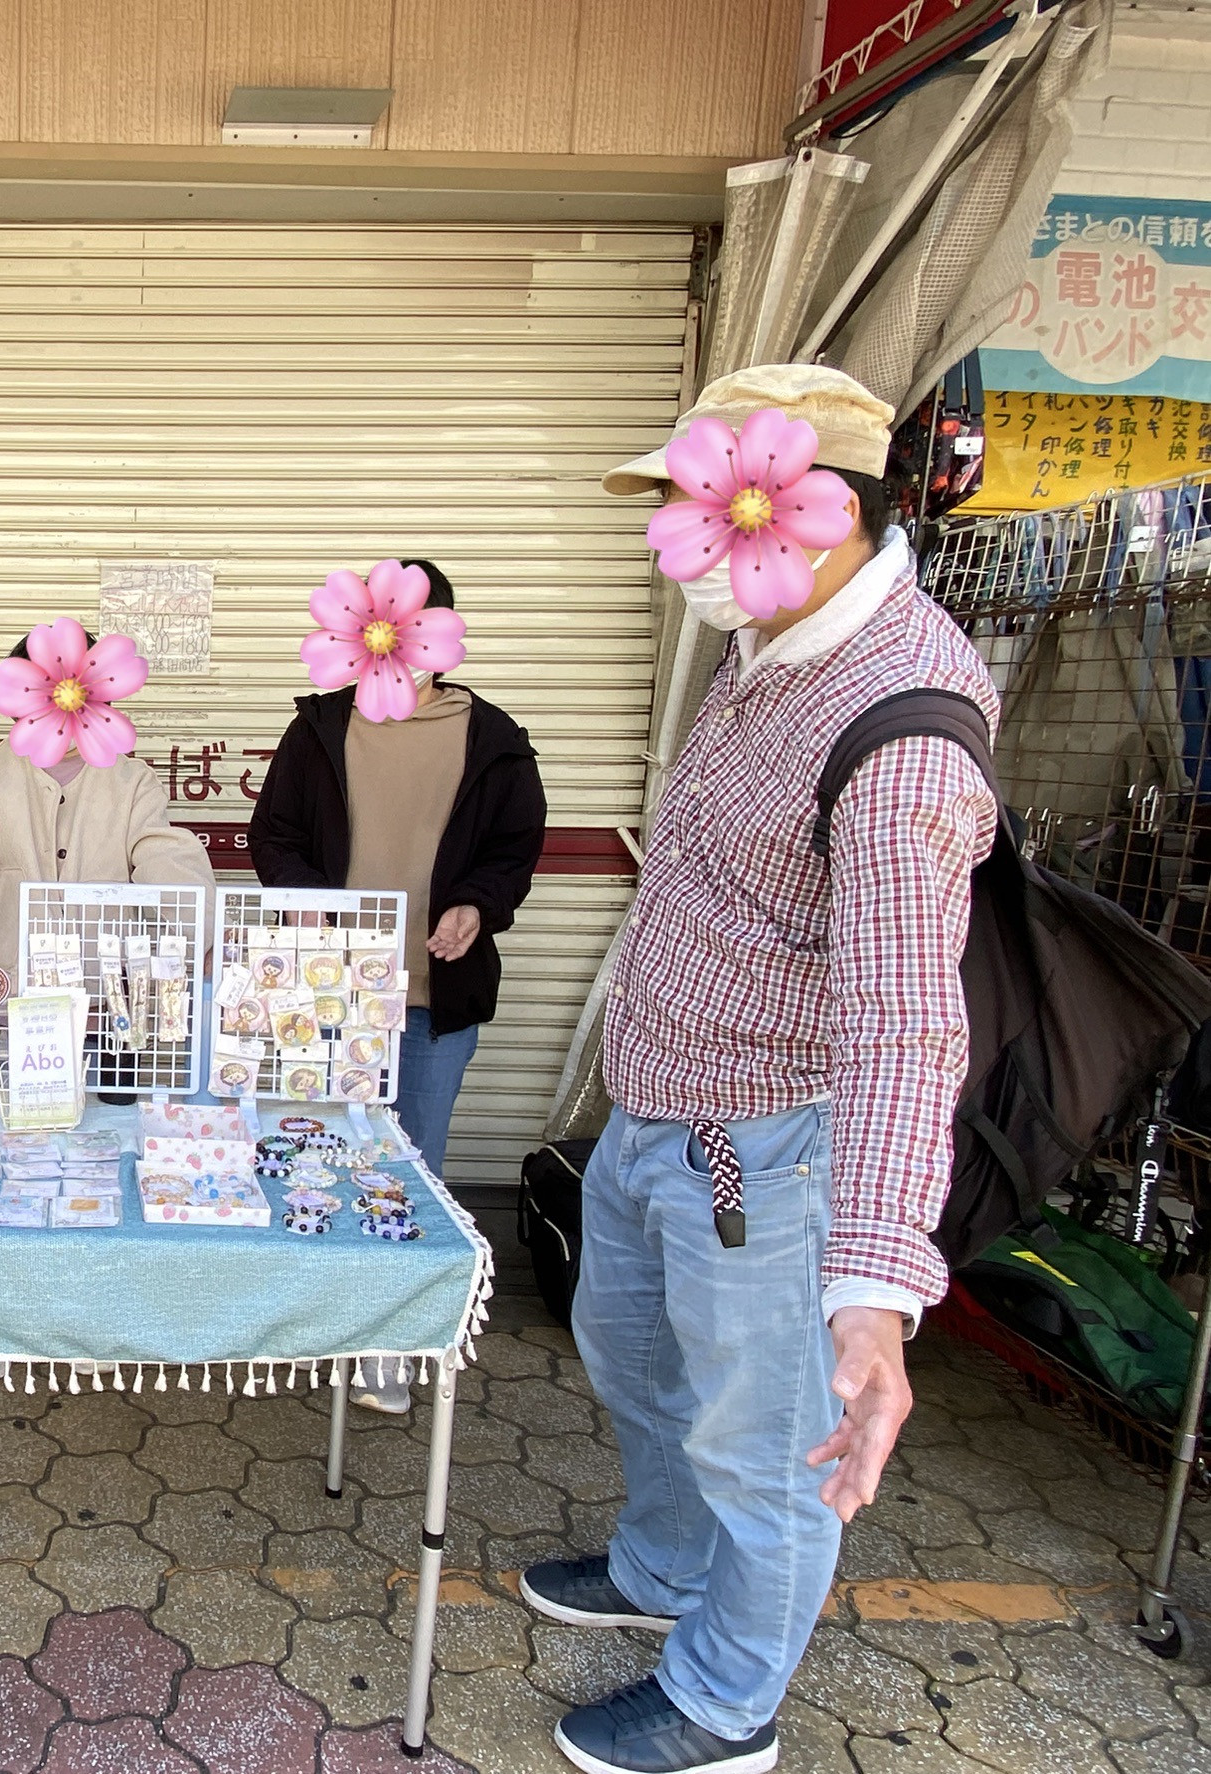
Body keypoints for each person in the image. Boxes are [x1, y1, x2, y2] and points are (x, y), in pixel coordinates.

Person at [519, 365, 999, 1774]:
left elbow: (909, 1014)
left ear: (817, 506)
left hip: (771, 1147)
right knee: (630, 1354)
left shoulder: (901, 715)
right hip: (656, 1108)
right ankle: (665, 1566)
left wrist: (875, 1284)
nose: (681, 541)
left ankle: (727, 1701)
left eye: (698, 507)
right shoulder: (771, 644)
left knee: (767, 1443)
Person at [249, 558, 546, 1410]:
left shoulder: (491, 738)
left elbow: (513, 851)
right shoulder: (318, 729)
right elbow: (273, 837)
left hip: (432, 998)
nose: (394, 649)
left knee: (412, 1171)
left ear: (440, 635)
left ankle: (391, 1348)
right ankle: (313, 1325)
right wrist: (310, 907)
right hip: (325, 996)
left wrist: (475, 908)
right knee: (310, 1155)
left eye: (412, 631)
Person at [0, 633, 214, 983]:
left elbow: (166, 859)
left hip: (99, 995)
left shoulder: (131, 780)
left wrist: (207, 936)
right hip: (3, 988)